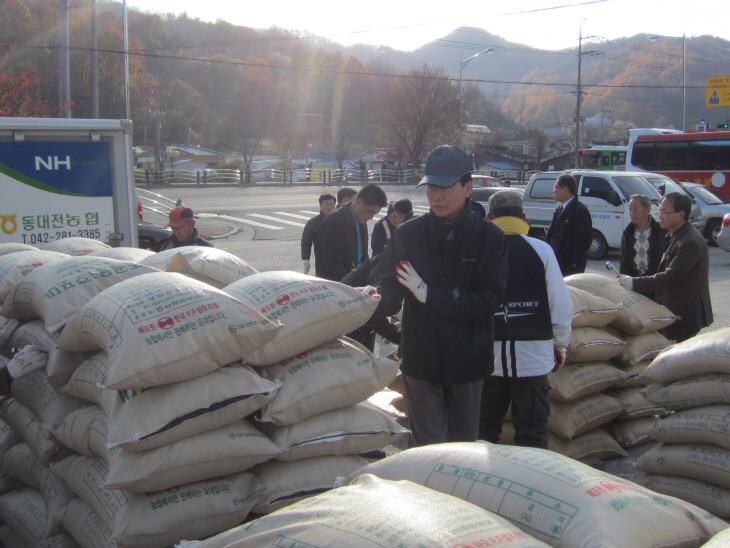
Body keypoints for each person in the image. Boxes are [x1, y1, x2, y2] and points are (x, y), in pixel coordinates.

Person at [373, 145, 508, 447]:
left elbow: (489, 300)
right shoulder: (408, 234)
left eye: (445, 187)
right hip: (422, 359)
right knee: (428, 449)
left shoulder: (489, 238)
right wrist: (364, 301)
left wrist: (430, 294)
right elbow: (389, 289)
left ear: (468, 188)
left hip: (468, 362)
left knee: (463, 449)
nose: (436, 196)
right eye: (431, 187)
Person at [478, 190, 572, 449]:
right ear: (523, 216)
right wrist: (559, 344)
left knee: (483, 429)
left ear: (489, 217)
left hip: (488, 359)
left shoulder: (477, 251)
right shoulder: (542, 250)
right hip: (533, 358)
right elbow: (560, 304)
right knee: (532, 432)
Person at [619, 192, 713, 342]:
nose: (660, 215)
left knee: (679, 359)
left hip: (684, 314)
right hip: (672, 311)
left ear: (680, 214)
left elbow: (670, 276)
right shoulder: (674, 235)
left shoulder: (690, 242)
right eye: (659, 211)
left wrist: (634, 283)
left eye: (664, 212)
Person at [316, 183, 388, 282]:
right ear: (358, 202)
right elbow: (332, 264)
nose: (371, 217)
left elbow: (363, 256)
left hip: (355, 281)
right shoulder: (333, 222)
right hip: (339, 285)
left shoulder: (361, 220)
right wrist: (350, 285)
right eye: (371, 211)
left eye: (375, 214)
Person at [544, 174, 593, 276]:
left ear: (565, 189)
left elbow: (583, 240)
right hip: (556, 263)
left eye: (556, 188)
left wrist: (574, 263)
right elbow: (551, 236)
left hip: (569, 267)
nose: (553, 191)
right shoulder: (559, 210)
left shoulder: (580, 211)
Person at [620, 194, 666, 300]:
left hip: (653, 281)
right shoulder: (628, 233)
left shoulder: (660, 231)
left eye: (635, 210)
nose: (632, 214)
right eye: (630, 210)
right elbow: (624, 260)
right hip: (633, 280)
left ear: (647, 210)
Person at [300, 193, 336, 275]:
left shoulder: (341, 221)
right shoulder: (313, 223)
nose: (330, 207)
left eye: (332, 204)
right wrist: (306, 260)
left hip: (341, 263)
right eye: (327, 204)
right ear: (320, 205)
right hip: (322, 262)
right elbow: (306, 242)